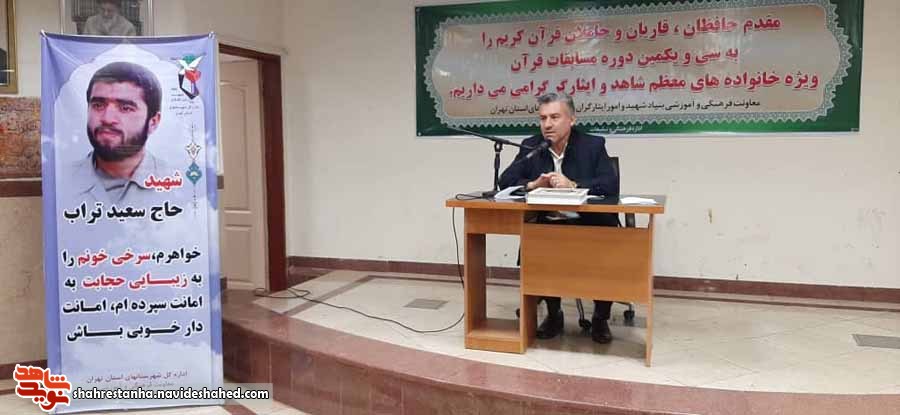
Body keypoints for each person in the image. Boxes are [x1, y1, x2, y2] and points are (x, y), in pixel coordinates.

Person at [499, 92, 620, 344]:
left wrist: (573, 184)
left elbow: (610, 184)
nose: (547, 124)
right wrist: (533, 184)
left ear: (572, 119)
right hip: (549, 223)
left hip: (589, 224)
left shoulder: (593, 145)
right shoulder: (532, 145)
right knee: (539, 242)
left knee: (607, 250)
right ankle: (554, 315)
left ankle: (600, 318)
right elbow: (505, 180)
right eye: (543, 118)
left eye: (554, 117)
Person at [67, 61, 172, 206]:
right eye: (98, 105)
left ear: (153, 122)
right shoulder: (62, 181)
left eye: (125, 108)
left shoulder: (178, 185)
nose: (107, 119)